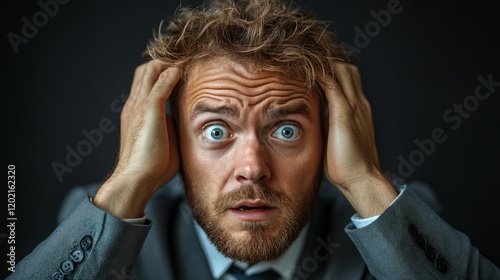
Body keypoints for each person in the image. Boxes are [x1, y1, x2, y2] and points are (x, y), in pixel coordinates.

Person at [8, 0, 499, 279]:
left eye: (286, 129)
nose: (252, 167)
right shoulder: (104, 230)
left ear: (330, 135)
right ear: (169, 137)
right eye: (216, 131)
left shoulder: (393, 227)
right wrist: (129, 181)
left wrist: (367, 180)